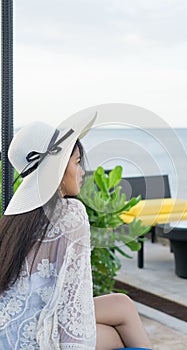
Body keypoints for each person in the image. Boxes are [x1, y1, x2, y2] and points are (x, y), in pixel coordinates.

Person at [0, 110, 152, 350]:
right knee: (116, 336)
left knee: (121, 304)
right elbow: (73, 304)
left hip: (10, 332)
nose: (82, 172)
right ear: (58, 170)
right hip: (36, 339)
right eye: (77, 162)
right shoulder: (70, 213)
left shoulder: (14, 223)